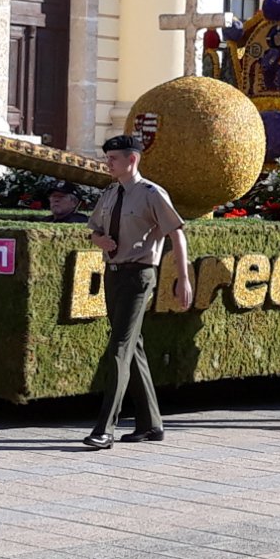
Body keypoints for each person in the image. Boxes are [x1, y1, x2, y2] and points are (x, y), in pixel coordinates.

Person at [82, 135, 193, 449]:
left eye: (113, 158)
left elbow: (177, 234)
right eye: (108, 158)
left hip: (139, 276)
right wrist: (98, 240)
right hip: (113, 275)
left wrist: (183, 278)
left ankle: (105, 428)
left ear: (132, 160)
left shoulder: (151, 194)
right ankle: (151, 424)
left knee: (119, 347)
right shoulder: (109, 193)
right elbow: (95, 230)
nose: (108, 163)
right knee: (133, 346)